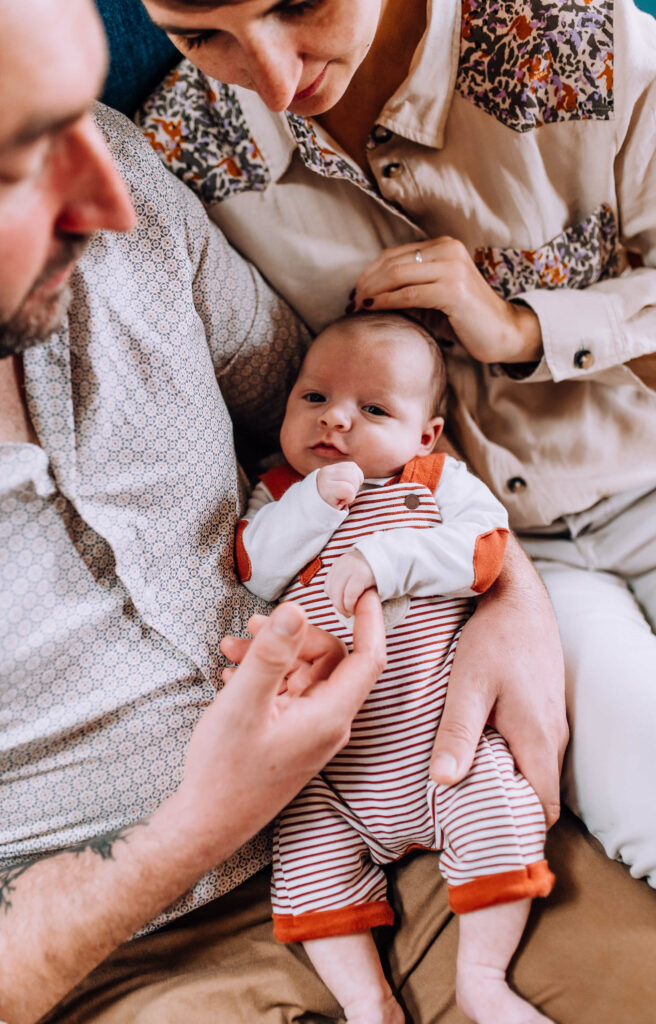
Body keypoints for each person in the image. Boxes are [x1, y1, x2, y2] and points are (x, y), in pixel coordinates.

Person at [137, 0, 656, 909]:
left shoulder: (574, 36)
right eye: (202, 36)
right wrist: (500, 589)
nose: (273, 81)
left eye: (297, 4)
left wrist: (520, 327)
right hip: (489, 565)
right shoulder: (178, 155)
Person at [0, 2, 389, 1020]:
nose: (111, 196)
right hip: (119, 951)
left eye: (80, 109)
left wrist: (512, 587)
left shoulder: (117, 173)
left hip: (393, 783)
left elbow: (326, 421)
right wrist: (187, 833)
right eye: (18, 162)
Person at [237, 311, 555, 1024]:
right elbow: (255, 570)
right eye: (314, 398)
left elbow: (485, 549)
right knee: (305, 865)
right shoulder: (281, 493)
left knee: (503, 809)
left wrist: (387, 557)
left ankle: (481, 977)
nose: (336, 421)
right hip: (334, 777)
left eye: (373, 408)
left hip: (443, 745)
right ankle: (367, 1003)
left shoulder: (435, 482)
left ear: (424, 434)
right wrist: (315, 503)